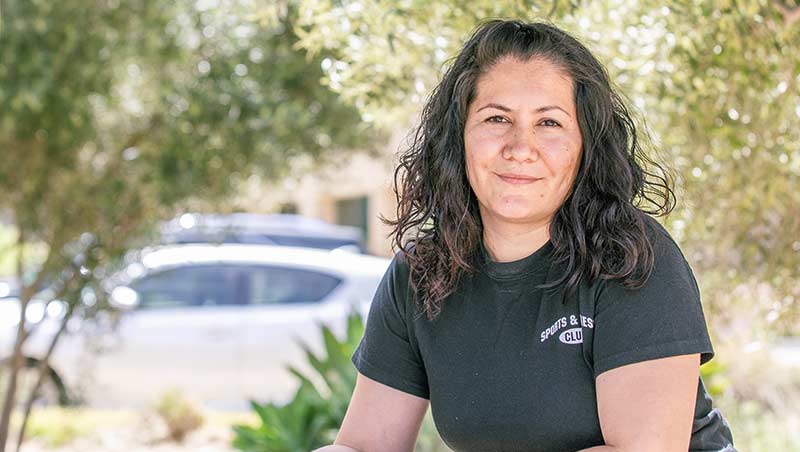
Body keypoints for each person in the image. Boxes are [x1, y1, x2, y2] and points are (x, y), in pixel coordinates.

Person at [315, 19, 736, 452]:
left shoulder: (629, 258)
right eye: (497, 118)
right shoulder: (422, 274)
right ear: (458, 138)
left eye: (549, 123)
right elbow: (365, 446)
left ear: (585, 146)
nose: (520, 147)